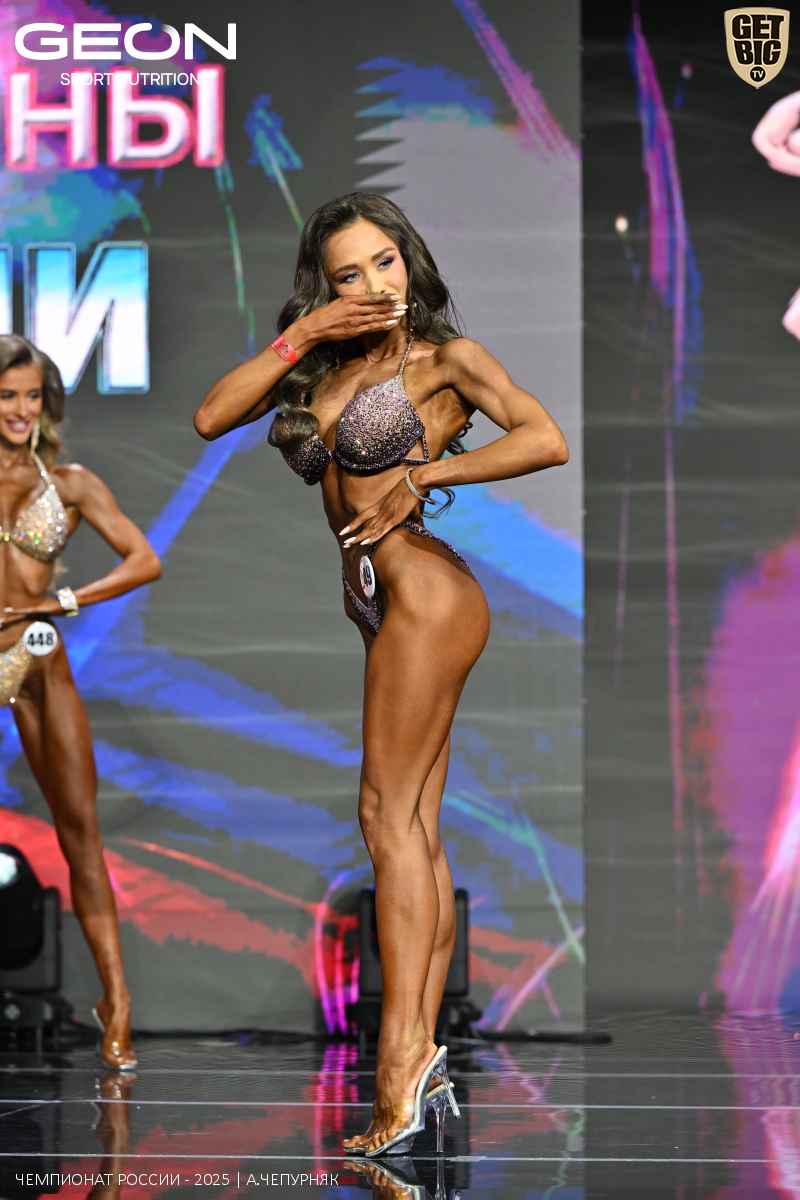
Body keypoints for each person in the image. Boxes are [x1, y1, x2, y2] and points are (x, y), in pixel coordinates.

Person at [194, 193, 568, 1155]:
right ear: (326, 286)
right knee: (414, 835)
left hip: (427, 594)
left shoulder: (445, 361)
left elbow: (543, 437)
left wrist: (424, 476)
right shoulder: (325, 367)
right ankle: (421, 1057)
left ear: (412, 262)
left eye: (385, 262)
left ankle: (398, 1069)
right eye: (348, 273)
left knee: (384, 821)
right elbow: (209, 416)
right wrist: (308, 332)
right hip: (377, 604)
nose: (372, 284)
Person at [0, 335, 161, 1070]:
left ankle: (116, 1002)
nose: (21, 409)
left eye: (32, 396)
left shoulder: (68, 483)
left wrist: (65, 600)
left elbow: (144, 559)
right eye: (7, 395)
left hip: (33, 654)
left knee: (81, 835)